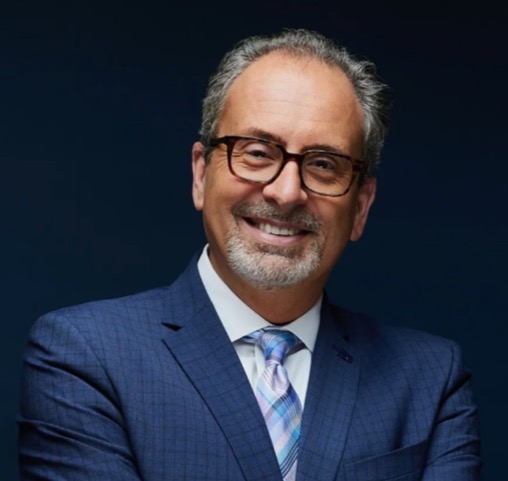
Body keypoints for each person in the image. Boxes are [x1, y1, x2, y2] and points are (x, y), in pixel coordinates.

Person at [18, 28, 481, 480]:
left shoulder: (429, 379)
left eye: (324, 164)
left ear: (360, 206)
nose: (286, 192)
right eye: (258, 153)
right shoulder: (85, 356)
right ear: (201, 175)